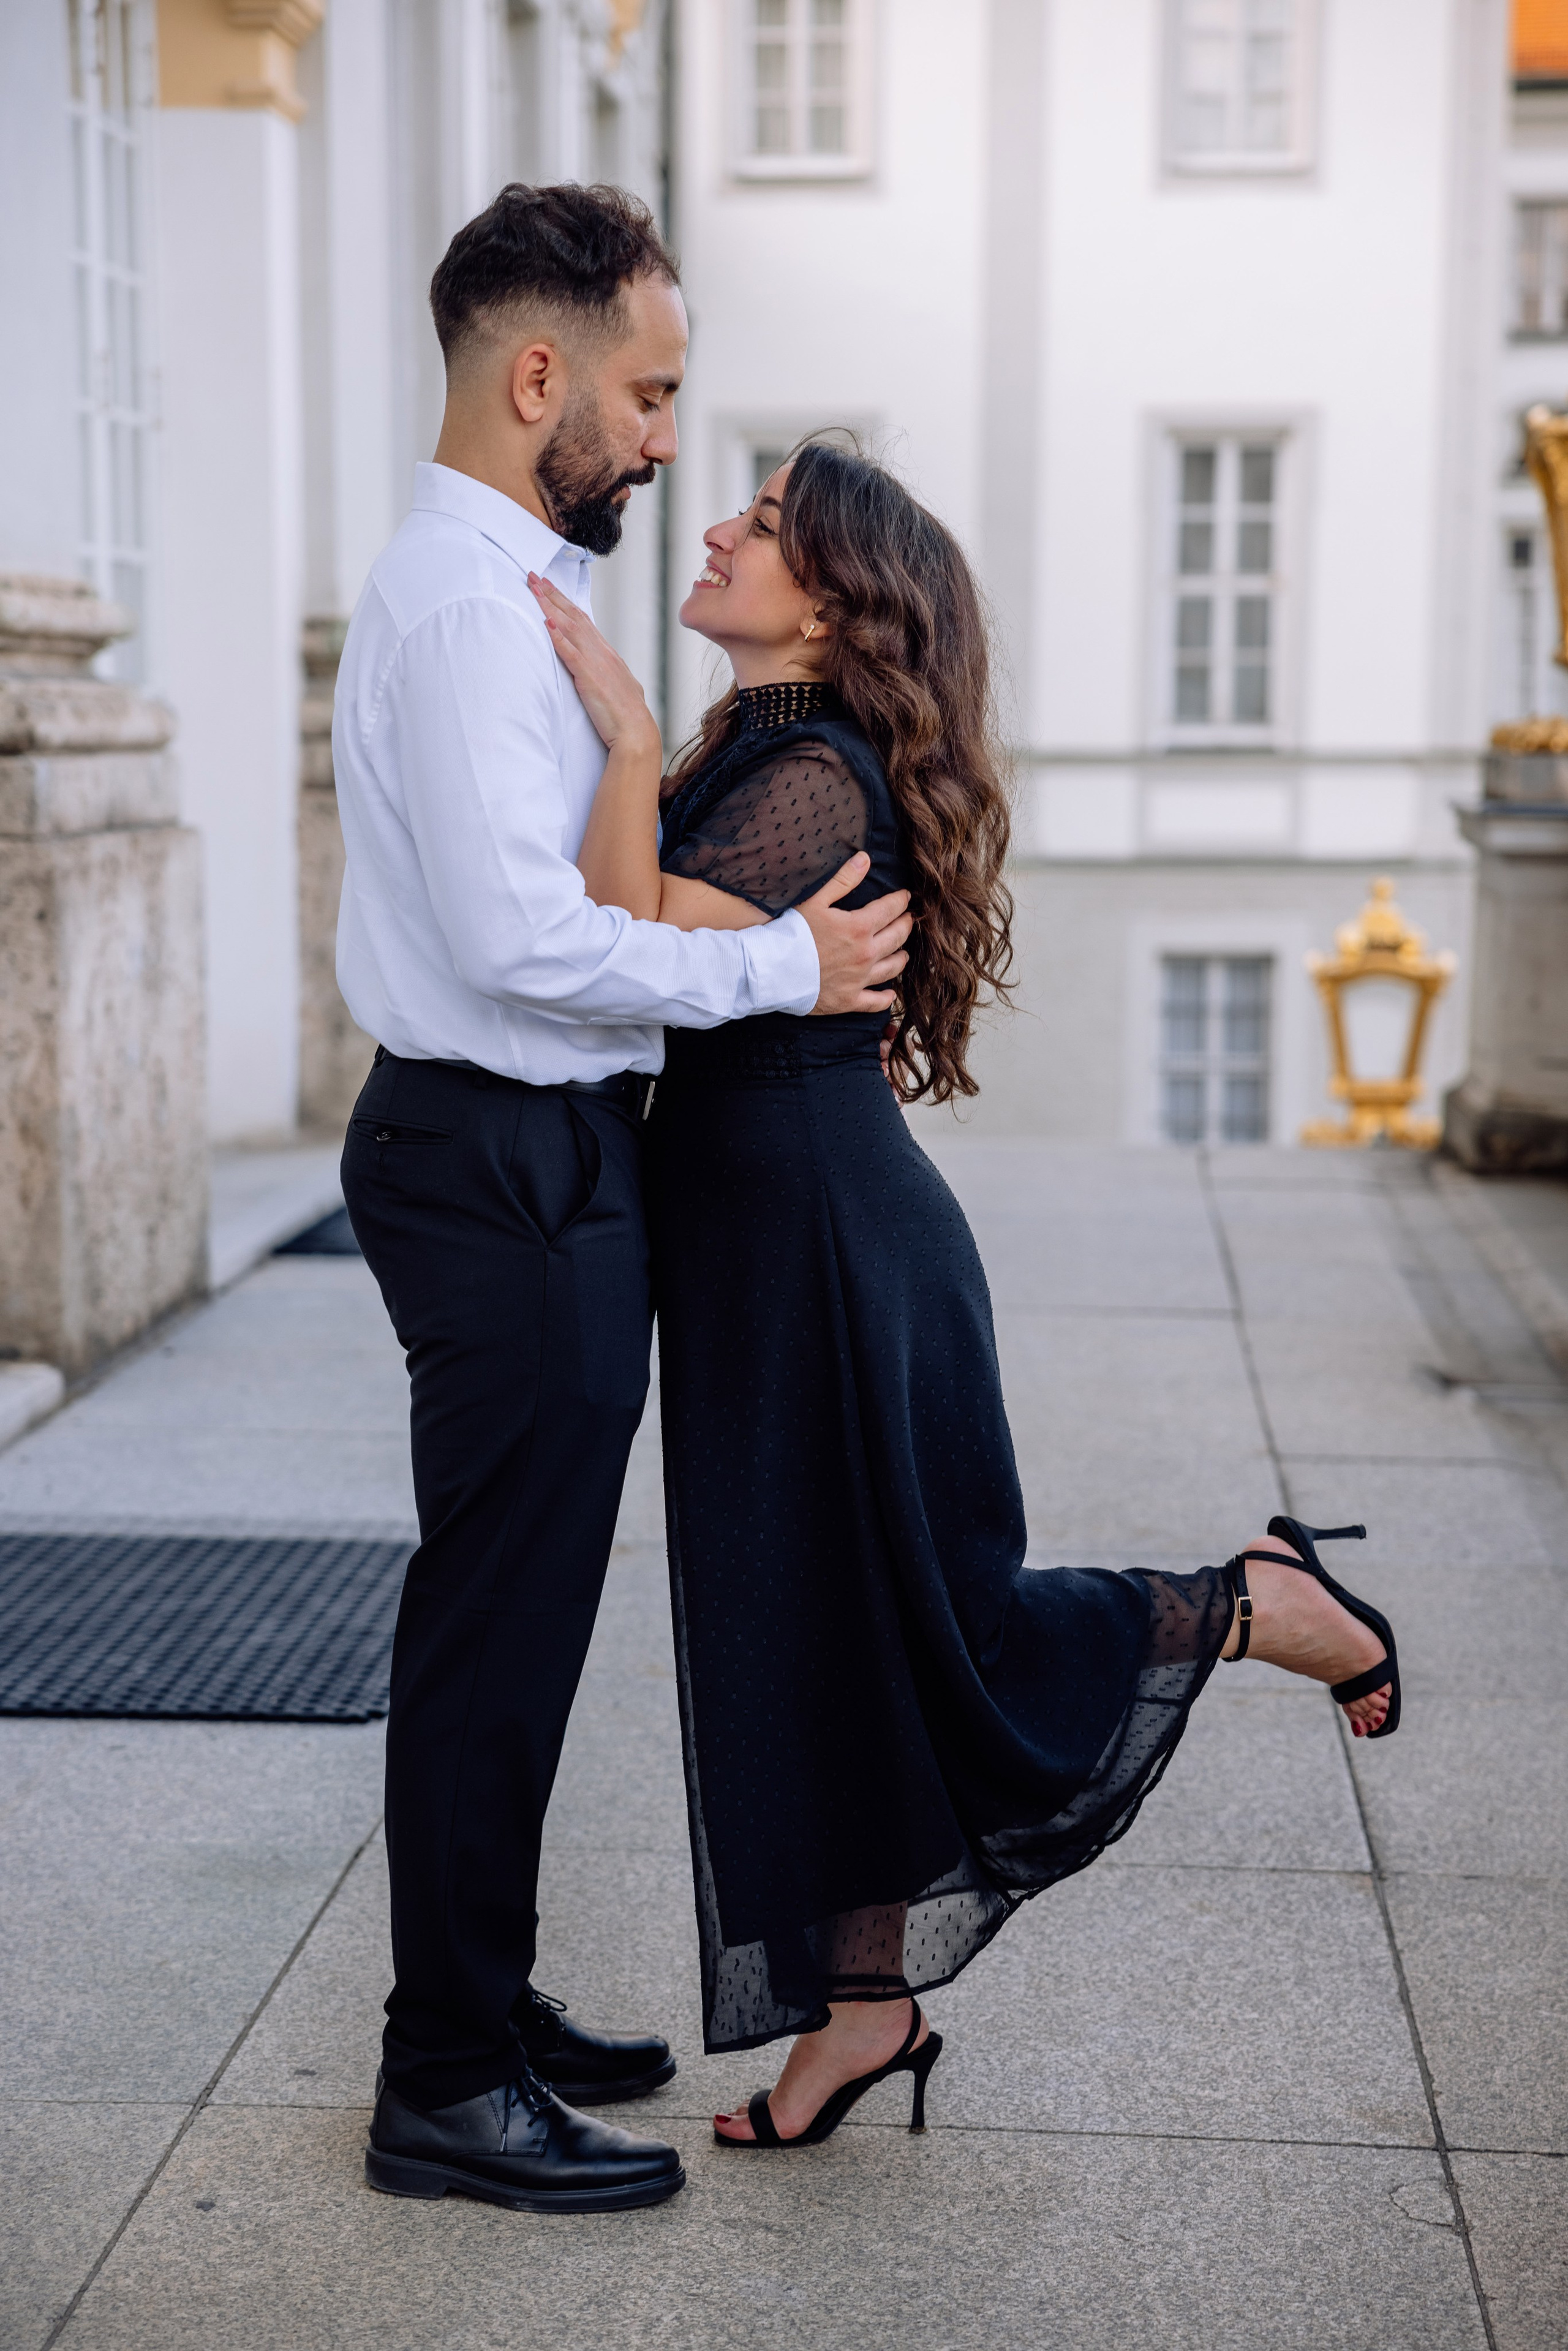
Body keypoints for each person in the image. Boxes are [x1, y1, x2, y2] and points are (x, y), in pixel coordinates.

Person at [527, 437, 1402, 2153]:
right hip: (774, 1248)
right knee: (815, 1636)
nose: (714, 527)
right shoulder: (759, 749)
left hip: (832, 1256)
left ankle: (1246, 1601)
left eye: (763, 524)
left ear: (840, 602)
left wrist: (622, 738)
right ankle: (865, 2011)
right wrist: (645, 749)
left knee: (937, 1625)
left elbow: (612, 929)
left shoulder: (818, 780)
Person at [334, 189, 912, 2214]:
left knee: (521, 1624)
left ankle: (477, 2007)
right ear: (539, 376)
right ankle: (444, 2084)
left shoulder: (498, 597)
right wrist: (779, 968)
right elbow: (526, 940)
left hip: (527, 1154)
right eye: (652, 395)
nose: (666, 442)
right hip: (497, 1153)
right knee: (492, 1636)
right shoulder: (467, 605)